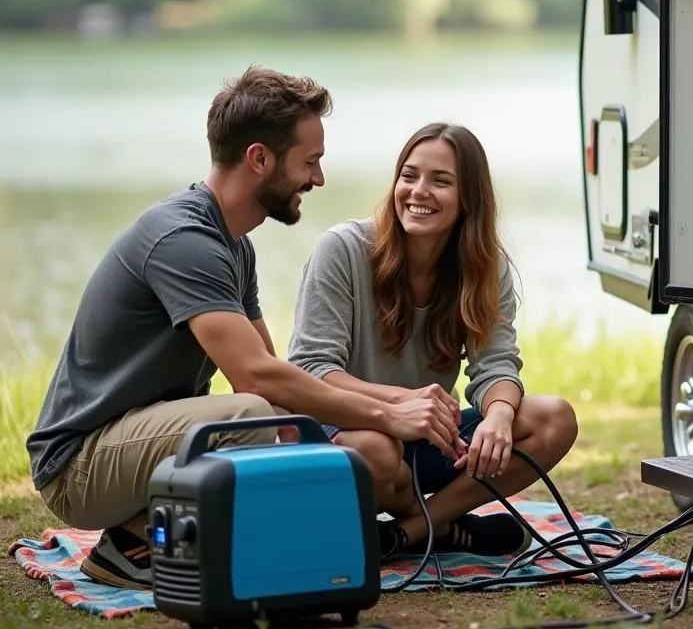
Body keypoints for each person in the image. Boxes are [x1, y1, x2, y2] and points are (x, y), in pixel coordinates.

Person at [26, 67, 465, 590]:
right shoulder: (184, 240)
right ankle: (130, 543)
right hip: (80, 465)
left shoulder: (235, 245)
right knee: (251, 413)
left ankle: (361, 532)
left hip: (144, 440)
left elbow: (275, 377)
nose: (318, 179)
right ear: (260, 159)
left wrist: (354, 441)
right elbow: (256, 381)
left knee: (283, 426)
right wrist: (390, 412)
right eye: (310, 161)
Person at [287, 122, 579, 560]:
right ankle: (442, 528)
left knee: (555, 418)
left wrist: (498, 417)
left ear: (469, 200)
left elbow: (495, 364)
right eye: (409, 176)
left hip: (430, 437)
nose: (419, 191)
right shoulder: (342, 249)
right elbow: (310, 368)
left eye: (440, 181)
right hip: (346, 434)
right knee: (377, 451)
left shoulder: (484, 267)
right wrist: (401, 404)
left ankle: (410, 530)